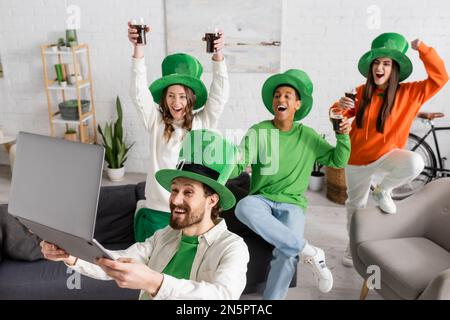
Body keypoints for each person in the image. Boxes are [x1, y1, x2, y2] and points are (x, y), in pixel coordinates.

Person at [41, 130, 249, 300]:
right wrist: (71, 255)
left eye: (188, 192)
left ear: (211, 201)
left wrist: (154, 282)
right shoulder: (164, 235)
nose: (175, 200)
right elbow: (118, 260)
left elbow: (223, 296)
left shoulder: (232, 247)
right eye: (175, 190)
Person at [231, 69, 351, 299]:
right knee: (243, 206)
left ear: (297, 104)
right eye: (277, 95)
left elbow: (338, 160)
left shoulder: (309, 136)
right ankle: (310, 251)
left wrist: (343, 136)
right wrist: (229, 162)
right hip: (262, 200)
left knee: (286, 253)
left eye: (287, 95)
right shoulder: (259, 131)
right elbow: (240, 163)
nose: (281, 99)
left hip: (293, 204)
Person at [332, 33, 449, 267]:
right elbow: (338, 117)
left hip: (387, 156)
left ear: (394, 68)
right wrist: (339, 107)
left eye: (386, 63)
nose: (379, 67)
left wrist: (423, 49)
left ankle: (383, 190)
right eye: (376, 62)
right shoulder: (360, 91)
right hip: (357, 159)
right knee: (355, 205)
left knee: (415, 162)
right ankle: (352, 245)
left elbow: (441, 77)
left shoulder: (411, 93)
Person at [128, 22, 230, 241]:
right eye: (171, 95)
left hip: (190, 212)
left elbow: (219, 95)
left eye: (183, 96)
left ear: (191, 99)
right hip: (159, 209)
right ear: (164, 97)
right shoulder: (155, 122)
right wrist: (138, 49)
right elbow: (138, 93)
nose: (176, 102)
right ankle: (142, 207)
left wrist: (219, 55)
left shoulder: (203, 123)